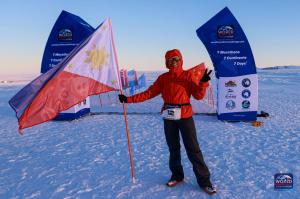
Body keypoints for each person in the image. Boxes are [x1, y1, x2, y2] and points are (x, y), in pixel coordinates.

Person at [118, 49, 216, 195]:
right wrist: (128, 99)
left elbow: (198, 96)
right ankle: (177, 175)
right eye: (169, 60)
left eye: (175, 59)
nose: (173, 62)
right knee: (173, 148)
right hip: (169, 117)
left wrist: (202, 83)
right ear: (166, 62)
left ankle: (205, 181)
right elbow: (149, 93)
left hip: (185, 117)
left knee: (193, 149)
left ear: (180, 60)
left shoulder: (187, 76)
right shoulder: (163, 78)